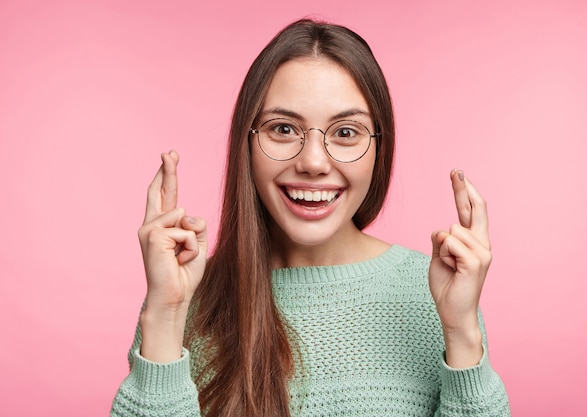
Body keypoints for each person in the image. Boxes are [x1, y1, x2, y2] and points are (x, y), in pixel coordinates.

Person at [110, 19, 510, 417]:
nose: (314, 162)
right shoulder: (184, 301)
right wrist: (165, 314)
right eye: (283, 128)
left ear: (379, 149)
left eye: (346, 132)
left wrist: (460, 330)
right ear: (246, 143)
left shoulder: (437, 298)